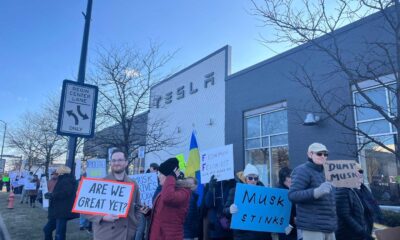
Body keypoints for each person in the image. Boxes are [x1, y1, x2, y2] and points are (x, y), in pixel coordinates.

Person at [84, 149, 141, 240]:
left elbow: (138, 207)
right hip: (105, 234)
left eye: (119, 160)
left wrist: (135, 223)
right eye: (113, 160)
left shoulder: (133, 184)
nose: (116, 163)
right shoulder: (100, 183)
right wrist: (102, 217)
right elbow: (85, 210)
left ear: (126, 162)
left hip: (126, 234)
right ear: (110, 163)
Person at [289, 143, 336, 240]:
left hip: (329, 226)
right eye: (319, 154)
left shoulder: (325, 172)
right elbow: (292, 195)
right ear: (310, 154)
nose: (323, 156)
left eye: (325, 154)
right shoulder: (302, 170)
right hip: (313, 226)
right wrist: (316, 192)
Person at [148, 157, 193, 240]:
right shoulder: (165, 190)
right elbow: (163, 214)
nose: (158, 177)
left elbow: (168, 198)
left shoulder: (183, 192)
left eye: (161, 174)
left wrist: (171, 176)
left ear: (168, 177)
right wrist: (149, 213)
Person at [225, 164, 272, 240]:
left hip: (262, 235)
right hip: (243, 235)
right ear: (245, 179)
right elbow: (225, 211)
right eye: (250, 178)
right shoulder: (236, 191)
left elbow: (270, 211)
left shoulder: (264, 192)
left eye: (255, 178)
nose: (253, 181)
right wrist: (229, 210)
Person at [335, 164, 380, 240]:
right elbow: (345, 215)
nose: (359, 175)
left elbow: (373, 207)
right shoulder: (343, 189)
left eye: (360, 172)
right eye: (356, 173)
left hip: (365, 232)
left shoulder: (364, 190)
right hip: (350, 235)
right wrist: (361, 232)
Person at [43, 165, 79, 240]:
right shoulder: (64, 180)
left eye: (57, 171)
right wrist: (51, 195)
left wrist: (52, 195)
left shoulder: (66, 180)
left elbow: (65, 193)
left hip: (62, 211)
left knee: (59, 234)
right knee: (47, 229)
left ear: (61, 172)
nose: (56, 172)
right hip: (58, 211)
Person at [278, 167, 298, 240]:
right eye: (290, 177)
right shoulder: (280, 192)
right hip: (286, 229)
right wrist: (293, 220)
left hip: (293, 228)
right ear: (283, 179)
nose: (292, 179)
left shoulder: (292, 190)